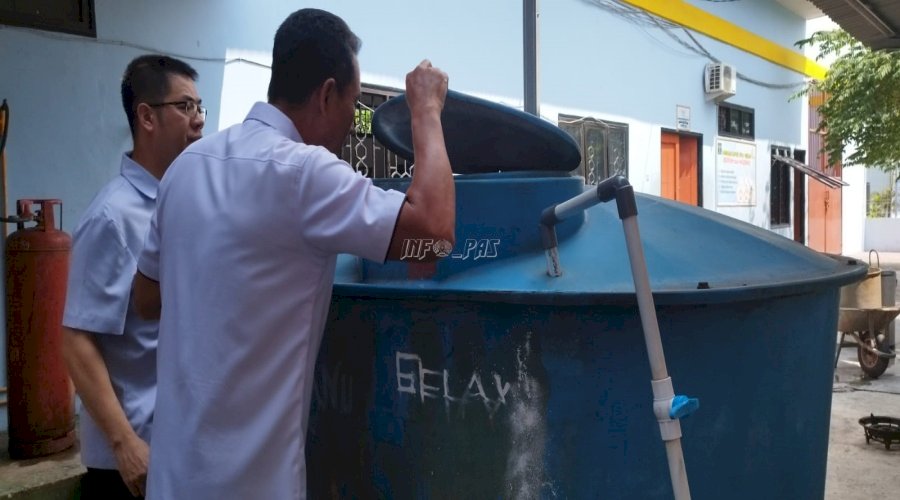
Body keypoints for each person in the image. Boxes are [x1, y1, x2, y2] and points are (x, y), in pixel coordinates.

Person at [131, 8, 455, 500]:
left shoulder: (184, 170)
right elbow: (433, 234)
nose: (352, 125)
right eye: (352, 107)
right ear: (327, 94)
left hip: (172, 479)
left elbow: (147, 300)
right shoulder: (304, 172)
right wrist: (426, 110)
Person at [62, 54, 205, 498]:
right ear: (146, 116)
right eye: (185, 107)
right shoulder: (113, 217)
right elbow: (76, 340)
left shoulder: (181, 201)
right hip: (131, 466)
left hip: (179, 448)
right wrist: (125, 444)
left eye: (201, 107)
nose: (198, 121)